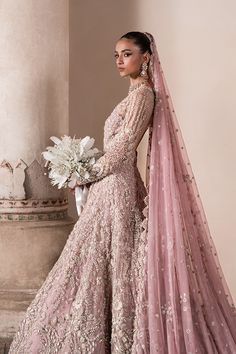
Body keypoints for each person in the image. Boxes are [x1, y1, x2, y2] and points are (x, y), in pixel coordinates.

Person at [8, 31, 236, 354]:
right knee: (94, 262)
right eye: (116, 54)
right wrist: (88, 174)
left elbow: (126, 148)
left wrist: (85, 173)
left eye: (126, 54)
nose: (119, 60)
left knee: (110, 262)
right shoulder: (132, 96)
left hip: (117, 186)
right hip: (108, 187)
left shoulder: (144, 95)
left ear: (145, 57)